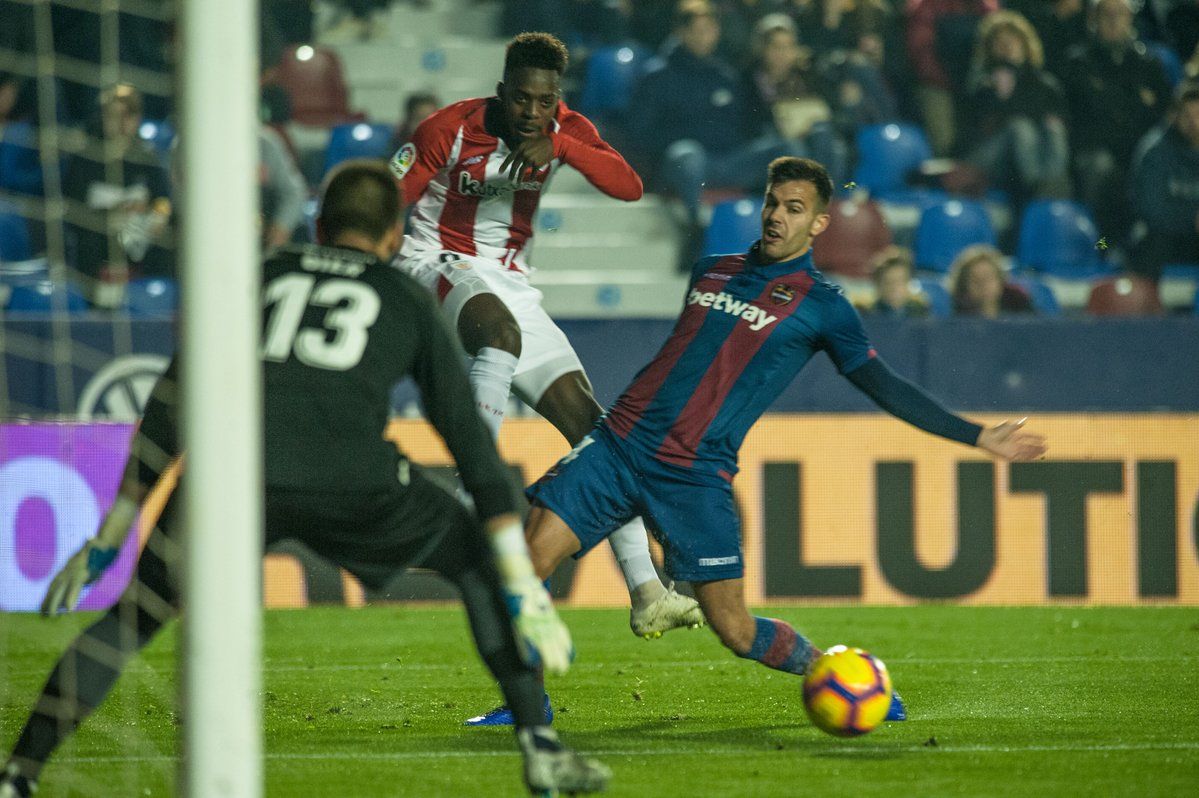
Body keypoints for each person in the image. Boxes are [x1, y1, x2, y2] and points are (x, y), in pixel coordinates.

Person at [0, 162, 610, 798]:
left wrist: (110, 536)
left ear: (320, 226)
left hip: (233, 478)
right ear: (394, 235)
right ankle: (540, 746)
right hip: (353, 481)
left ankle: (19, 775)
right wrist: (519, 579)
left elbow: (168, 408)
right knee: (477, 564)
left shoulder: (256, 276)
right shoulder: (403, 296)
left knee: (132, 617)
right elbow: (470, 444)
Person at [514, 158, 1047, 730]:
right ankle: (527, 703)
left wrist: (975, 435)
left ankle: (837, 673)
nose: (776, 217)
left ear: (818, 224)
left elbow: (884, 385)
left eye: (794, 209)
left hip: (694, 476)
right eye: (773, 203)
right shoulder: (712, 270)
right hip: (619, 445)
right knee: (523, 563)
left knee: (736, 629)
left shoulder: (824, 306)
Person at [390, 31, 704, 710]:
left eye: (545, 101)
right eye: (522, 100)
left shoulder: (564, 129)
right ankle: (473, 493)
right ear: (502, 92)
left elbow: (630, 187)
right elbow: (389, 199)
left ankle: (646, 591)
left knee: (600, 438)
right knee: (497, 337)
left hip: (509, 284)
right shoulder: (448, 129)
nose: (533, 112)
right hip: (434, 263)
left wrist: (562, 145)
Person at [1059, 0, 1172, 245]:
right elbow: (1084, 109)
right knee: (1102, 170)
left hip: (1138, 150)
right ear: (1094, 19)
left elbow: (1163, 112)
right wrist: (1136, 99)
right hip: (1094, 150)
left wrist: (1109, 97)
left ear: (1130, 18)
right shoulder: (1078, 61)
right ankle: (1101, 245)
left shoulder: (1148, 62)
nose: (1113, 21)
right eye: (1106, 14)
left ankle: (1142, 246)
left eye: (1120, 14)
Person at [960, 10, 1071, 202]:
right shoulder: (981, 83)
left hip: (1034, 155)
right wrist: (1001, 96)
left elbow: (1056, 121)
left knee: (1055, 129)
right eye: (999, 42)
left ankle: (1052, 191)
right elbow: (979, 129)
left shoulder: (1045, 84)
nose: (1007, 46)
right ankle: (1038, 193)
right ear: (989, 48)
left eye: (1013, 40)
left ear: (1025, 45)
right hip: (990, 154)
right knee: (1020, 127)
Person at [1129, 81, 1199, 282]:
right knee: (1153, 242)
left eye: (1198, 115)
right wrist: (1192, 219)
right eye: (1187, 115)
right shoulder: (1156, 151)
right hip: (1161, 237)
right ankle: (1146, 300)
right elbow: (1152, 210)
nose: (1194, 123)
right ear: (1175, 116)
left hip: (1193, 238)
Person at [948, 244, 1035, 316]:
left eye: (988, 277)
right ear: (964, 285)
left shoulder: (1019, 303)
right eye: (975, 280)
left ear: (1000, 279)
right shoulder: (957, 313)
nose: (983, 285)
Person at [865, 245, 931, 317]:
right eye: (888, 282)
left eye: (899, 281)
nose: (894, 288)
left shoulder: (919, 311)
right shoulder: (868, 315)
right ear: (878, 285)